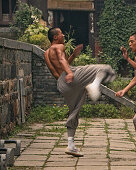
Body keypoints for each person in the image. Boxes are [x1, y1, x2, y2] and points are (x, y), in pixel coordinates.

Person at [44, 27, 115, 157]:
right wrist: (70, 72)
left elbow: (59, 69)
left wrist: (73, 56)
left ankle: (71, 145)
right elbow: (61, 60)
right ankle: (94, 84)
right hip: (70, 76)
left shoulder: (46, 53)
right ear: (55, 37)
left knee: (74, 112)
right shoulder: (58, 47)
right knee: (106, 68)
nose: (63, 36)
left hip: (62, 84)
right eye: (61, 34)